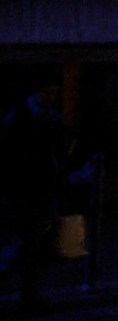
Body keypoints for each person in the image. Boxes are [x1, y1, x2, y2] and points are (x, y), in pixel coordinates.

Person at [1, 77, 81, 310]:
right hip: (24, 190)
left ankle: (28, 292)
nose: (51, 98)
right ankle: (26, 294)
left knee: (31, 243)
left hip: (39, 189)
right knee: (28, 242)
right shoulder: (22, 117)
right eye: (47, 92)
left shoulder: (47, 116)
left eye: (54, 93)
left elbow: (57, 151)